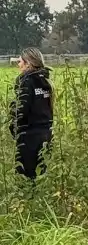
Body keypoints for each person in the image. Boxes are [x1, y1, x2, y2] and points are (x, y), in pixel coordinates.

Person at [9, 48, 53, 180]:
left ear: (28, 63)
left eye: (20, 61)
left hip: (28, 135)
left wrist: (13, 125)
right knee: (41, 174)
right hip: (47, 133)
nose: (18, 64)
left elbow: (21, 109)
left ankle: (26, 200)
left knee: (26, 177)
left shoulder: (25, 81)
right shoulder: (46, 81)